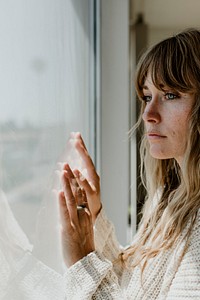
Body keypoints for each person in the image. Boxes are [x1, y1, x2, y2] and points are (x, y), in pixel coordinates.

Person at [59, 28, 200, 299]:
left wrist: (81, 262)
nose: (148, 114)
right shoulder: (170, 199)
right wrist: (95, 218)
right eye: (147, 97)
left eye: (170, 95)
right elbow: (133, 287)